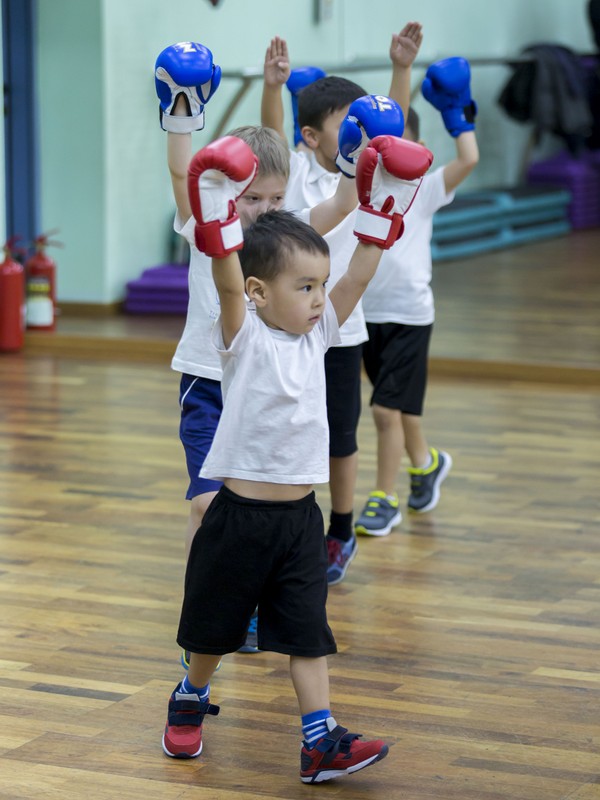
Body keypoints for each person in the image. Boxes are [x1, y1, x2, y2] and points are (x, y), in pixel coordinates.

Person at [161, 132, 433, 782]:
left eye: (320, 286)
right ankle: (192, 694)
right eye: (305, 287)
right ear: (258, 292)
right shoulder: (242, 336)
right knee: (213, 632)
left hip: (298, 523)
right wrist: (215, 204)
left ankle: (321, 740)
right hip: (240, 520)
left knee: (307, 631)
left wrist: (382, 208)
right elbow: (227, 282)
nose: (318, 298)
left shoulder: (322, 335)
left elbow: (360, 272)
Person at [155, 41, 359, 655]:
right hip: (209, 386)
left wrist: (358, 156)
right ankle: (208, 615)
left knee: (260, 508)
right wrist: (181, 115)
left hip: (266, 394)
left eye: (276, 200)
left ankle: (257, 603)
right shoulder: (207, 224)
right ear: (225, 192)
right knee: (207, 508)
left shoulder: (284, 237)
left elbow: (343, 203)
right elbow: (178, 173)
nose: (267, 211)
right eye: (253, 199)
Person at [260, 25, 422, 584]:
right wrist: (272, 87)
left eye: (361, 123)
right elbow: (273, 135)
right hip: (287, 326)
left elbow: (388, 128)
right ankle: (291, 520)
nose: (359, 131)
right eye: (345, 124)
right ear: (312, 136)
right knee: (291, 425)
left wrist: (401, 71)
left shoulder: (368, 173)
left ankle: (342, 527)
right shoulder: (299, 172)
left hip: (341, 326)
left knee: (342, 431)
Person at [355, 57, 480, 537]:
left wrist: (455, 114)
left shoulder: (425, 189)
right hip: (364, 315)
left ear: (419, 149)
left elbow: (467, 159)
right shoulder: (361, 188)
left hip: (409, 316)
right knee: (399, 405)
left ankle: (383, 498)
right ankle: (425, 464)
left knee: (386, 410)